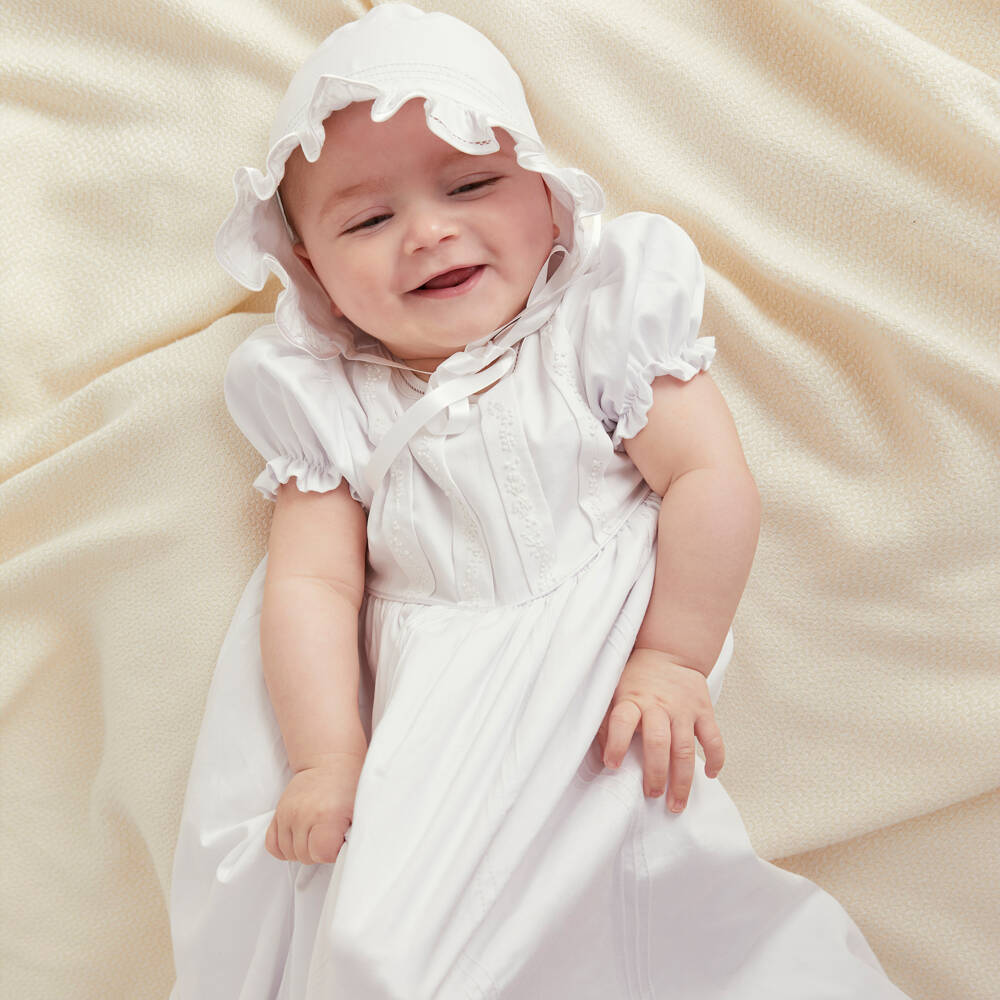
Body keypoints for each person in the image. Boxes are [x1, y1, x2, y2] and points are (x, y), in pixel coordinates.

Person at [169, 5, 912, 998]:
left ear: (548, 199)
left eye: (471, 184)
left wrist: (673, 656)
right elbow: (309, 586)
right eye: (367, 219)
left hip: (602, 702)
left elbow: (708, 478)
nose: (429, 232)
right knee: (380, 947)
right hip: (434, 725)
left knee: (669, 909)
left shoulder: (598, 330)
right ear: (309, 270)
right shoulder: (326, 403)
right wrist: (324, 756)